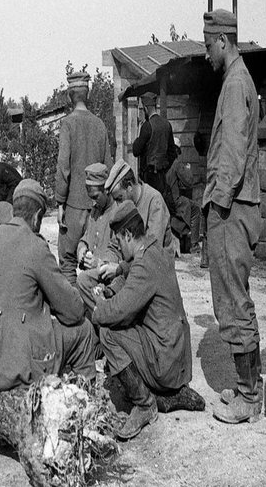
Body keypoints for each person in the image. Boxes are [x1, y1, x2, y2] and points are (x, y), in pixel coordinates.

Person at [0, 179, 95, 394]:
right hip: (18, 362)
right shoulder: (35, 245)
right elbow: (72, 311)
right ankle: (83, 403)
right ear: (37, 216)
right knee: (84, 330)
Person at [92, 201, 204, 441]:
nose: (119, 248)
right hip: (175, 355)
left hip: (165, 359)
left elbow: (119, 311)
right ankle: (173, 395)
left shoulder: (143, 264)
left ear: (129, 234)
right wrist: (116, 283)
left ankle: (144, 404)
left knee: (108, 332)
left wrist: (99, 309)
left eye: (119, 241)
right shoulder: (154, 249)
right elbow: (132, 274)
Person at [200, 8, 262, 425]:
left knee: (232, 300)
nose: (206, 54)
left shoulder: (236, 81)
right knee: (234, 295)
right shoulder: (235, 80)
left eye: (208, 46)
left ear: (223, 40)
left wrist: (217, 203)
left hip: (232, 207)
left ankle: (249, 397)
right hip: (236, 205)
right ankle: (247, 388)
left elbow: (234, 152)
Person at [55, 70, 112, 285]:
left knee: (68, 262)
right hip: (97, 207)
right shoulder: (100, 125)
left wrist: (60, 202)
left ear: (69, 96)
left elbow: (63, 167)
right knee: (97, 264)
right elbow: (109, 166)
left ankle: (72, 311)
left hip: (73, 205)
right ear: (88, 95)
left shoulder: (68, 124)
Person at [97, 159, 173, 286]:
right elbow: (114, 245)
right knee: (85, 280)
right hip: (129, 272)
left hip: (154, 274)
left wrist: (119, 269)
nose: (118, 204)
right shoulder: (124, 204)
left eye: (119, 198)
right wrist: (105, 262)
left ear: (129, 187)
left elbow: (151, 253)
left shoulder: (155, 201)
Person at [75, 163, 119, 315]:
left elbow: (119, 251)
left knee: (82, 281)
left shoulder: (117, 213)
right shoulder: (94, 212)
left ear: (106, 190)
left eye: (96, 197)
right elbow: (86, 238)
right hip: (93, 276)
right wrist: (81, 249)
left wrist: (98, 263)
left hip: (109, 278)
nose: (93, 202)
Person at [132, 91, 177, 196]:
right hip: (162, 175)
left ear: (146, 108)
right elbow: (172, 153)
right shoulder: (167, 124)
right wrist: (164, 167)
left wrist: (138, 136)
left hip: (149, 176)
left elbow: (136, 151)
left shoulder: (147, 126)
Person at [165, 136, 198, 253]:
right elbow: (189, 182)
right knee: (195, 208)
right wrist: (188, 170)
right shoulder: (176, 163)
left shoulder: (163, 162)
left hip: (165, 200)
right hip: (175, 201)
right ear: (177, 151)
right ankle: (193, 245)